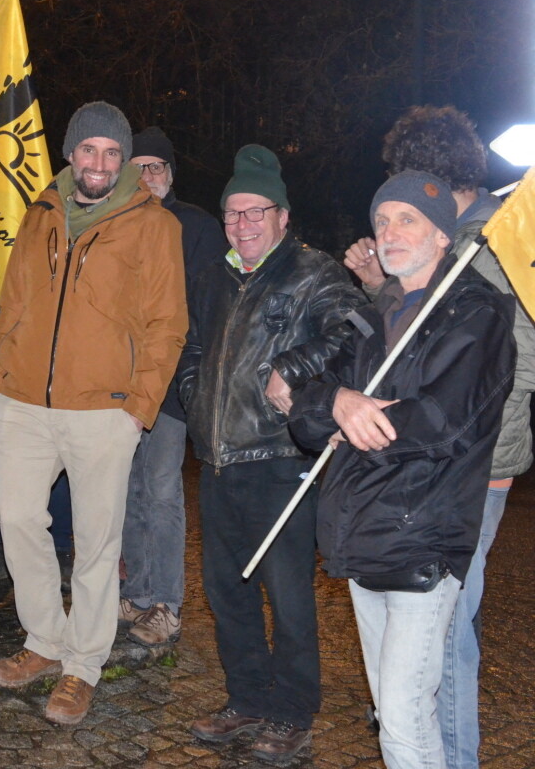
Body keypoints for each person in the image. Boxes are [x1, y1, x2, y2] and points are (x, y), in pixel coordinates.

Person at [292, 171, 515, 769]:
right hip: (361, 533)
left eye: (407, 218)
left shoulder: (478, 312)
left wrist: (356, 415)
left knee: (403, 718)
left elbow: (443, 421)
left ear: (442, 235)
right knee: (395, 712)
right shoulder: (375, 312)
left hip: (422, 538)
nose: (390, 232)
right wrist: (338, 404)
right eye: (382, 219)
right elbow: (309, 405)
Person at [0, 102, 187, 726]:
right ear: (70, 155)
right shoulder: (40, 213)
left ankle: (82, 666)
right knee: (16, 519)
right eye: (87, 150)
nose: (98, 163)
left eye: (110, 153)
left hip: (104, 410)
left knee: (98, 544)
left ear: (122, 161)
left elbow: (167, 324)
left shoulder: (153, 225)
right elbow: (12, 302)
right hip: (20, 404)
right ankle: (44, 641)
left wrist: (138, 408)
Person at [343, 106, 535, 769]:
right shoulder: (470, 238)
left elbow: (514, 351)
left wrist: (476, 419)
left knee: (443, 637)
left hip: (470, 463)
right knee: (435, 639)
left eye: (409, 193)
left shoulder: (494, 241)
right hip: (436, 458)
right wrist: (382, 288)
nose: (399, 223)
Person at [177, 144, 364, 761]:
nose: (243, 223)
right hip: (220, 460)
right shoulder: (214, 278)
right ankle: (248, 699)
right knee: (227, 592)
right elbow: (195, 351)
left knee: (287, 597)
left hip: (282, 460)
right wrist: (194, 395)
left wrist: (291, 364)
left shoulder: (312, 272)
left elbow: (354, 328)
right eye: (233, 213)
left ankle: (292, 712)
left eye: (256, 211)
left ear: (282, 216)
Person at [119, 127, 227, 646]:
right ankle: (135, 593)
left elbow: (209, 309)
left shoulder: (198, 228)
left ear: (170, 175)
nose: (147, 177)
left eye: (155, 168)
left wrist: (194, 376)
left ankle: (165, 602)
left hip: (170, 381)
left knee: (160, 487)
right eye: (137, 168)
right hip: (118, 381)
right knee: (126, 489)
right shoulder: (115, 223)